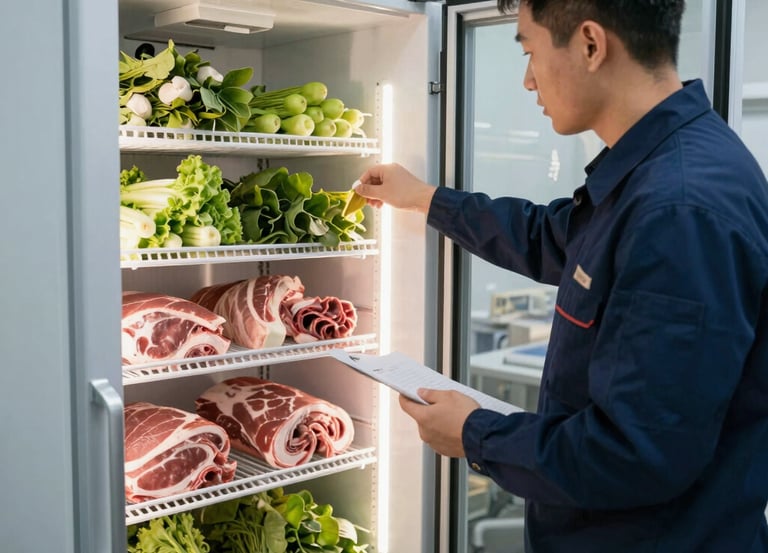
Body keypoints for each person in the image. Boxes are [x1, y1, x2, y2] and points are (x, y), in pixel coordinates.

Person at [354, 0, 768, 551]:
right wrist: (427, 200)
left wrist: (475, 434)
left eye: (529, 50)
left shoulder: (681, 208)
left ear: (591, 45)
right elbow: (554, 238)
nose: (527, 80)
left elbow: (635, 455)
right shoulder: (662, 169)